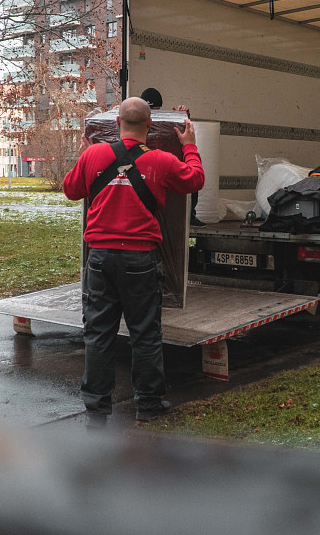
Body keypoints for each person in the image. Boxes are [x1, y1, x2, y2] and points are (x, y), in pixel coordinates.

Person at [63, 97, 204, 427]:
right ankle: (148, 404)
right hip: (140, 260)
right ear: (150, 126)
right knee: (145, 335)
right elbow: (195, 180)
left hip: (99, 259)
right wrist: (190, 146)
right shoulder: (161, 160)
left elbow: (71, 190)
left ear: (116, 124)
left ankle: (97, 408)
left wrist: (84, 156)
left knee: (98, 334)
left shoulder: (95, 155)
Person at [139, 87, 203, 227]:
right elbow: (196, 178)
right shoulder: (139, 123)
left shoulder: (164, 124)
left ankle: (189, 214)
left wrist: (181, 120)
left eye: (155, 110)